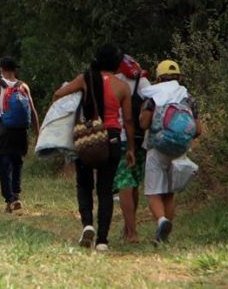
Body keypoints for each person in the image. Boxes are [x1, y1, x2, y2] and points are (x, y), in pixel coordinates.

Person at [52, 45, 135, 251]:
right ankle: (103, 241)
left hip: (88, 138)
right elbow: (129, 121)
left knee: (84, 185)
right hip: (113, 139)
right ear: (117, 64)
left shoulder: (85, 79)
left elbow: (57, 95)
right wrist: (131, 148)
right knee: (105, 190)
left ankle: (88, 224)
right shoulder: (122, 87)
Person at [139, 59, 201, 245]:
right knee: (169, 192)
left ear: (158, 78)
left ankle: (162, 221)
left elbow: (144, 123)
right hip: (180, 149)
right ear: (179, 77)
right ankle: (165, 235)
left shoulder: (153, 97)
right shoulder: (188, 98)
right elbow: (198, 130)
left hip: (157, 147)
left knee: (153, 192)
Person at [0, 57, 40, 213]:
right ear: (15, 69)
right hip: (21, 132)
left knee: (4, 164)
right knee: (17, 163)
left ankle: (9, 200)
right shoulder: (24, 86)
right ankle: (16, 195)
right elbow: (33, 111)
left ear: (1, 68)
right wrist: (37, 132)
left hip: (5, 130)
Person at [113, 55, 151, 243]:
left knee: (124, 183)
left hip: (120, 138)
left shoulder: (115, 81)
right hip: (139, 138)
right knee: (134, 183)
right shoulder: (143, 81)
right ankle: (129, 227)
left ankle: (132, 231)